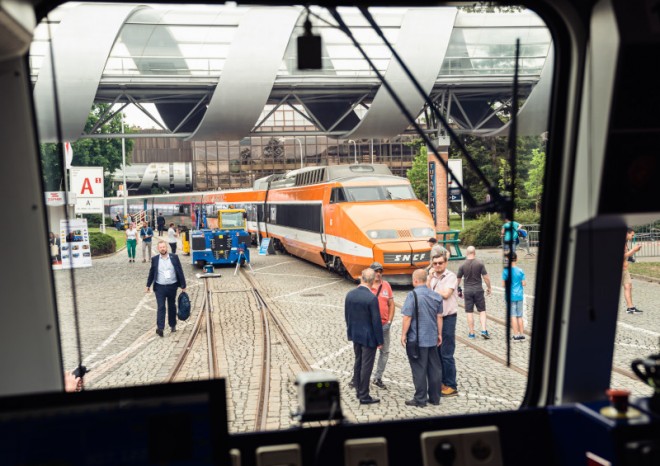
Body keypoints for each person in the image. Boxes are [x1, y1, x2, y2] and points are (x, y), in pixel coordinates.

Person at [401, 268, 443, 407]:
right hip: (432, 338)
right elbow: (439, 317)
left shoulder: (412, 295)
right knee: (434, 369)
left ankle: (420, 399)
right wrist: (439, 334)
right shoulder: (436, 296)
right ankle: (435, 398)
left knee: (419, 370)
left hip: (417, 340)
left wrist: (403, 334)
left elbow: (407, 317)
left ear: (415, 280)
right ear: (426, 280)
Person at [345, 268, 384, 405]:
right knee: (366, 366)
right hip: (369, 338)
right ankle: (364, 395)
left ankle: (357, 387)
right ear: (373, 281)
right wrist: (380, 341)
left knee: (358, 361)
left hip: (355, 334)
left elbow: (347, 316)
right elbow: (376, 322)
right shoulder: (371, 298)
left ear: (361, 278)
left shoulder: (350, 294)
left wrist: (351, 332)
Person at [427, 255, 459, 397]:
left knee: (446, 353)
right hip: (435, 318)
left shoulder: (450, 276)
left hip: (448, 318)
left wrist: (432, 291)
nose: (438, 265)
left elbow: (446, 294)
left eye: (440, 263)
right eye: (435, 263)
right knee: (437, 352)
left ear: (445, 263)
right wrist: (428, 278)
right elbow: (424, 291)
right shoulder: (432, 277)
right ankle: (441, 382)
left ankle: (451, 385)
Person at [146, 240, 187, 337]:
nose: (162, 249)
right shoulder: (155, 259)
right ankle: (160, 328)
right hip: (159, 287)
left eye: (164, 247)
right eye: (160, 247)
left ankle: (172, 324)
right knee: (161, 307)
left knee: (172, 306)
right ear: (158, 249)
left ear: (166, 248)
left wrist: (183, 285)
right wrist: (148, 285)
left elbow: (179, 271)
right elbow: (152, 273)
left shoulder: (174, 257)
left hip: (172, 286)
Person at [456, 246, 492, 340]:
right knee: (482, 311)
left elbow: (458, 280)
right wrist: (489, 287)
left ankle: (471, 333)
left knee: (469, 312)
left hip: (467, 291)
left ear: (466, 253)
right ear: (474, 253)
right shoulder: (480, 263)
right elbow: (486, 277)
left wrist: (457, 289)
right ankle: (484, 330)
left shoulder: (462, 265)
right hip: (478, 290)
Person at [369, 261, 395, 390]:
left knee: (384, 352)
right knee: (368, 352)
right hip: (370, 326)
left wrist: (390, 321)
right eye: (376, 271)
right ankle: (360, 377)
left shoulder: (386, 286)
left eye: (380, 271)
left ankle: (378, 377)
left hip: (384, 325)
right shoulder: (366, 286)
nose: (378, 274)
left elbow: (391, 304)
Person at [502, 252, 527, 341]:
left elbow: (503, 285)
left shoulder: (506, 271)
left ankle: (515, 335)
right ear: (516, 259)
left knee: (513, 315)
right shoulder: (520, 270)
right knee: (519, 316)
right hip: (519, 295)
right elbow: (524, 283)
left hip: (510, 296)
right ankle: (522, 334)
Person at [623, 228, 642, 314]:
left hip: (625, 269)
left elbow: (627, 256)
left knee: (628, 287)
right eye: (632, 235)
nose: (632, 237)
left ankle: (630, 307)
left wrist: (634, 252)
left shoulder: (626, 243)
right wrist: (634, 250)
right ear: (627, 233)